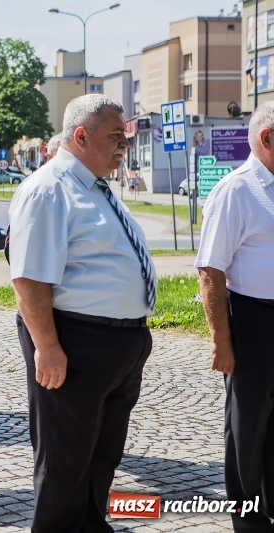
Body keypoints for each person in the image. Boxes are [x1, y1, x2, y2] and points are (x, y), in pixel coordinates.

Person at [8, 94, 156, 532]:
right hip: (75, 342)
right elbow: (29, 279)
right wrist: (47, 346)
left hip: (118, 345)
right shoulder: (49, 188)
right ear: (81, 135)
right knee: (64, 462)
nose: (124, 145)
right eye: (115, 136)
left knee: (101, 456)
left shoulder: (95, 186)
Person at [195, 101, 274, 532]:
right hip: (252, 320)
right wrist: (221, 340)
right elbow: (211, 271)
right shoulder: (237, 190)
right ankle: (248, 517)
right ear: (267, 138)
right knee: (247, 424)